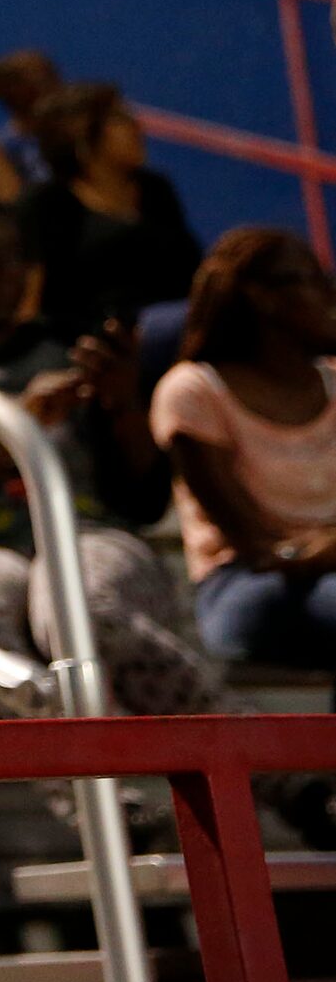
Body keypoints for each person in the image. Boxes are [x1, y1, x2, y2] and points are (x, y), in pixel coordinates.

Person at [0, 196, 331, 838]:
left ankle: (281, 779)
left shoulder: (65, 351)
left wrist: (121, 409)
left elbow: (141, 500)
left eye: (15, 259)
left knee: (76, 599)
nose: (2, 273)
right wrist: (12, 426)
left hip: (89, 533)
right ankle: (97, 803)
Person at [153, 229, 336, 683]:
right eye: (314, 280)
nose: (332, 295)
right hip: (244, 586)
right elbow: (260, 549)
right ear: (263, 298)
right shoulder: (195, 391)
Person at [18, 82, 202, 345]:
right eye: (120, 119)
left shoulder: (155, 188)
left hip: (172, 330)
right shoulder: (46, 202)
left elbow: (191, 269)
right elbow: (31, 303)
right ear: (80, 133)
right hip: (90, 344)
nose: (136, 127)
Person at [0, 48, 63, 196]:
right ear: (5, 90)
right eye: (32, 80)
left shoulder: (79, 138)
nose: (44, 86)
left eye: (48, 76)